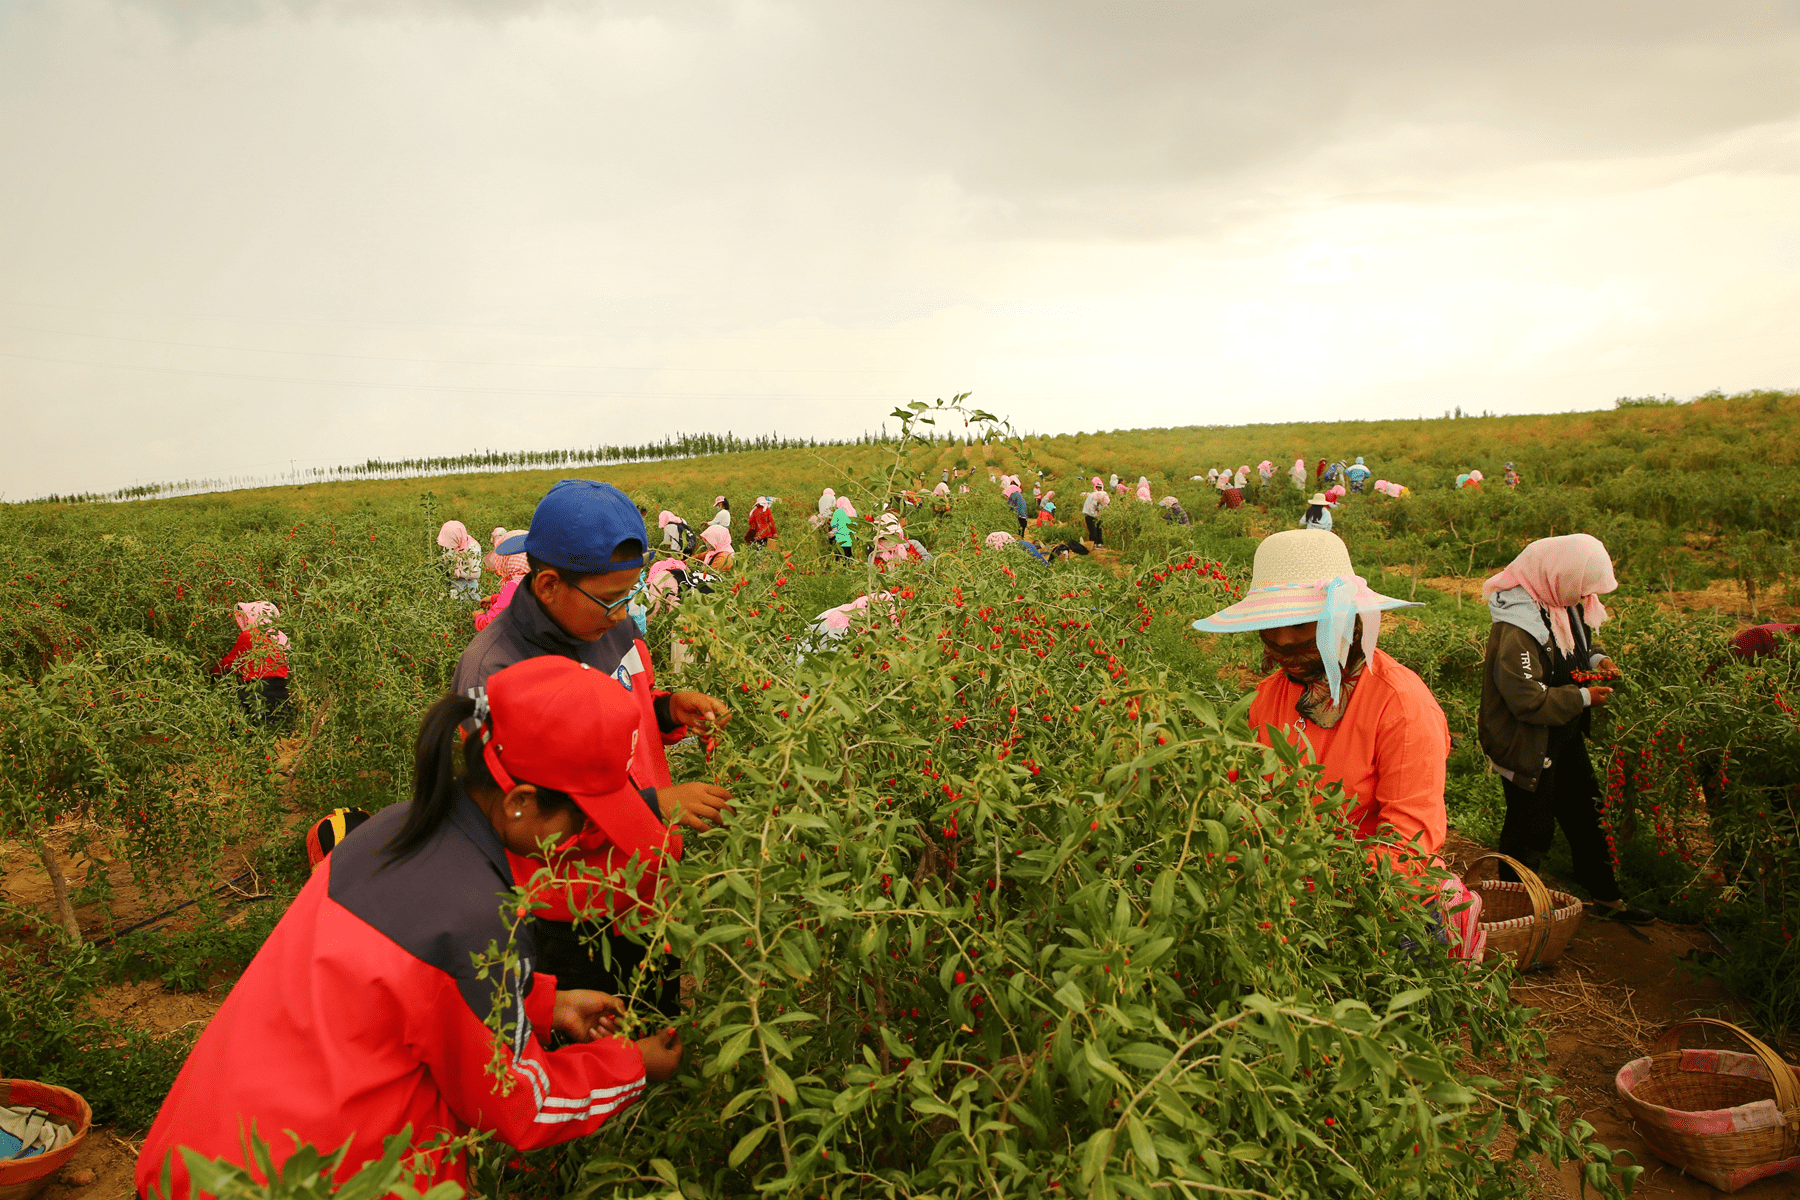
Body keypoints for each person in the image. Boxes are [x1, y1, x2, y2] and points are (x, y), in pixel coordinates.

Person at [135, 656, 685, 1200]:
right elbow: (523, 1105)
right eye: (584, 823)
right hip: (301, 1180)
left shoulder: (396, 826)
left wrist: (546, 1003)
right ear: (520, 804)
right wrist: (632, 1064)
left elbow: (408, 991)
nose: (586, 840)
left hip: (208, 1154)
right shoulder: (478, 915)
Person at [453, 481, 735, 1015]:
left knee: (656, 1016)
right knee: (603, 1041)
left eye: (631, 595)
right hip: (574, 911)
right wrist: (655, 808)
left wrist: (667, 708)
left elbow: (616, 714)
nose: (622, 613)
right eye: (611, 598)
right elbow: (517, 819)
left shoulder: (607, 623)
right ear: (550, 584)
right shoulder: (495, 674)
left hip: (646, 879)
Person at [1192, 530, 1447, 877]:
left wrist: (1320, 887)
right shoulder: (1270, 695)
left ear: (1344, 620)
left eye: (1299, 624)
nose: (1283, 641)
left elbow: (1407, 845)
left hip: (1370, 901)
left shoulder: (1399, 704)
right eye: (1272, 624)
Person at [1479, 534, 1652, 923]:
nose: (1583, 596)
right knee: (1530, 828)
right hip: (1528, 740)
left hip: (1562, 732)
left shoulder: (1559, 603)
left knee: (1587, 813)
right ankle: (1515, 916)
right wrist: (1585, 699)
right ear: (1558, 575)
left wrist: (1597, 659)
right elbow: (1526, 699)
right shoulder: (1517, 627)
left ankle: (1607, 900)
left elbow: (1573, 649)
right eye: (1580, 585)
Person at [215, 601, 290, 723]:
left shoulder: (250, 635)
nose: (247, 622)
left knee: (252, 722)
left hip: (257, 687)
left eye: (248, 618)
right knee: (278, 720)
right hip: (281, 686)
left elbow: (231, 662)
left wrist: (212, 673)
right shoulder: (280, 636)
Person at [474, 527, 530, 633]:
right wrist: (495, 599)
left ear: (509, 558)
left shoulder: (514, 586)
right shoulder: (541, 579)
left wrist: (479, 616)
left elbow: (488, 626)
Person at [437, 521, 483, 601]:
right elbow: (446, 559)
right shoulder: (450, 544)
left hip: (467, 587)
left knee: (467, 609)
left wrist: (458, 573)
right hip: (452, 584)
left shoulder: (472, 548)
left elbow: (476, 574)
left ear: (456, 537)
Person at [829, 496, 857, 560]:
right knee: (850, 557)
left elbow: (833, 524)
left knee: (843, 557)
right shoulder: (853, 511)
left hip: (842, 539)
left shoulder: (838, 512)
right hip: (852, 538)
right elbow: (856, 524)